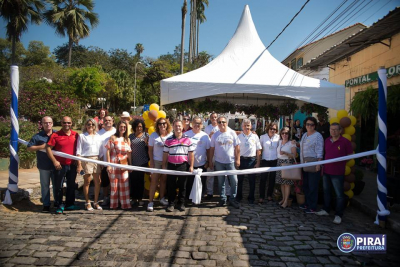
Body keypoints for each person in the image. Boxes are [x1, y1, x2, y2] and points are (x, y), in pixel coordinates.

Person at [316, 123, 352, 224]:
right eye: (332, 129)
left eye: (336, 130)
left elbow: (349, 156)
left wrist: (340, 163)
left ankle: (338, 215)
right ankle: (326, 210)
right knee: (326, 191)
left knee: (339, 194)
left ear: (340, 131)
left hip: (338, 172)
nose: (333, 131)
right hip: (327, 171)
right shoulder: (327, 140)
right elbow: (325, 154)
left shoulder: (345, 142)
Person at [46, 116, 79, 214]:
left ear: (71, 123)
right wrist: (54, 161)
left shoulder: (76, 135)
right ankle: (59, 204)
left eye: (68, 123)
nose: (66, 125)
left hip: (72, 165)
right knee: (58, 186)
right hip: (60, 165)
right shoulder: (56, 135)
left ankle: (69, 204)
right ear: (61, 123)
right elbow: (48, 149)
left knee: (71, 185)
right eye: (64, 123)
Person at [209, 116, 240, 208]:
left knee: (234, 181)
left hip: (231, 161)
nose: (221, 124)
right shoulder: (215, 135)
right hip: (219, 162)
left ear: (226, 123)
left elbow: (237, 147)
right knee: (220, 182)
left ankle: (232, 199)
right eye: (219, 122)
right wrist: (210, 161)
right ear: (217, 124)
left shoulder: (232, 133)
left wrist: (238, 159)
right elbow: (211, 149)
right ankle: (222, 199)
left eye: (223, 122)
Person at [163, 119, 194, 212]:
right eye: (176, 126)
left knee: (182, 186)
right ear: (173, 127)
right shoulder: (168, 140)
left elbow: (191, 154)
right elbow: (165, 154)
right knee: (171, 186)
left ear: (182, 127)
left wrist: (191, 166)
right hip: (171, 165)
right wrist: (164, 166)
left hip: (183, 165)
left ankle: (181, 203)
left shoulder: (188, 139)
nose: (178, 128)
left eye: (179, 126)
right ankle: (171, 204)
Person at [27, 116, 55, 212]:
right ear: (42, 124)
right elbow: (29, 148)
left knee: (57, 186)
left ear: (52, 123)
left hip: (57, 165)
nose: (48, 124)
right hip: (44, 165)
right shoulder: (37, 136)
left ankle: (57, 203)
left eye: (49, 122)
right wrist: (41, 146)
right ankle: (46, 204)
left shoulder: (57, 134)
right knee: (45, 186)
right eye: (45, 123)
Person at [76, 118, 103, 211]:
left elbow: (101, 149)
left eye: (92, 124)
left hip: (96, 159)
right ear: (85, 126)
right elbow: (78, 150)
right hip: (86, 159)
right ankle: (87, 202)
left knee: (97, 181)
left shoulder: (98, 136)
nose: (90, 126)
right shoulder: (82, 136)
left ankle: (95, 201)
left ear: (95, 126)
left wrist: (102, 160)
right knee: (87, 181)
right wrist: (79, 164)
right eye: (88, 124)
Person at [105, 121, 132, 210]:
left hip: (124, 164)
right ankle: (114, 204)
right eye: (121, 126)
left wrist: (130, 165)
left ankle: (125, 204)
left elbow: (129, 154)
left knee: (124, 184)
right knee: (114, 185)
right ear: (118, 127)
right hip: (114, 163)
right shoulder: (113, 138)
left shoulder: (127, 139)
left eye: (124, 127)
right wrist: (108, 165)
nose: (123, 128)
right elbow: (108, 151)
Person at [300, 116, 324, 213]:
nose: (309, 126)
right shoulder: (305, 135)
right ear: (305, 125)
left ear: (315, 126)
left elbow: (320, 150)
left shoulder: (318, 136)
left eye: (312, 124)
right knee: (306, 185)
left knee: (313, 186)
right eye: (308, 124)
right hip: (304, 163)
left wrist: (319, 163)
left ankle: (313, 206)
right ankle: (307, 203)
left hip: (313, 163)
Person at [147, 118, 173, 211]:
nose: (162, 125)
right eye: (160, 124)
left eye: (164, 123)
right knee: (154, 181)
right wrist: (152, 162)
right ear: (157, 125)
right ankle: (150, 201)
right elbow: (150, 149)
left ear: (167, 124)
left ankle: (162, 198)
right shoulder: (153, 135)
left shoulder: (171, 135)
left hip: (167, 161)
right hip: (156, 161)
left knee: (163, 181)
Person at [185, 117, 211, 204]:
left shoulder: (205, 136)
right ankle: (188, 198)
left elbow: (208, 150)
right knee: (189, 183)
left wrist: (208, 161)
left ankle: (199, 198)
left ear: (202, 125)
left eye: (199, 123)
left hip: (202, 164)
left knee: (201, 183)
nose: (197, 125)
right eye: (195, 123)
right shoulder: (186, 134)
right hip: (188, 164)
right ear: (192, 124)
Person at [236, 119, 261, 205]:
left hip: (252, 160)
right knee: (239, 180)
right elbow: (236, 150)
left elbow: (258, 150)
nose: (246, 127)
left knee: (252, 181)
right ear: (242, 126)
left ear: (251, 126)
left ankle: (251, 198)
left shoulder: (255, 136)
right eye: (245, 125)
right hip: (242, 160)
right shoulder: (238, 137)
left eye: (248, 125)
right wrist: (237, 160)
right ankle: (238, 197)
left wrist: (258, 162)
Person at [129, 119, 149, 207]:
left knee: (141, 181)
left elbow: (150, 147)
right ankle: (133, 198)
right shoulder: (131, 136)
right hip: (133, 162)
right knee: (133, 181)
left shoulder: (146, 135)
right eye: (137, 126)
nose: (139, 128)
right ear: (134, 127)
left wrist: (147, 142)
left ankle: (140, 198)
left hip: (143, 162)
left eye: (140, 126)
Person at [275, 127, 297, 208]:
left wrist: (285, 153)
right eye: (283, 133)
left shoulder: (292, 143)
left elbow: (294, 155)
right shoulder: (279, 142)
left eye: (286, 133)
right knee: (282, 183)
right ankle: (283, 199)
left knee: (287, 184)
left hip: (287, 163)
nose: (284, 135)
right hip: (279, 163)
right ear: (280, 134)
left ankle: (286, 201)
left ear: (289, 134)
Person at [259, 122, 280, 204]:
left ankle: (269, 195)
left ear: (276, 130)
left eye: (274, 129)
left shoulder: (278, 137)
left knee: (272, 179)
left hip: (274, 160)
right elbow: (259, 149)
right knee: (263, 179)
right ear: (268, 129)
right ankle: (261, 196)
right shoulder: (262, 137)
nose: (272, 130)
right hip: (265, 160)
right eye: (271, 128)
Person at [98, 116, 116, 207]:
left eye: (109, 120)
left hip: (116, 161)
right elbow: (99, 148)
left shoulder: (116, 131)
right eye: (106, 120)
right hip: (104, 160)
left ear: (113, 121)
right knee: (105, 181)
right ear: (103, 122)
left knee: (115, 181)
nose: (108, 122)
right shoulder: (99, 133)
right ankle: (105, 197)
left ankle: (114, 197)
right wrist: (101, 161)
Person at [204, 112, 219, 198]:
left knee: (222, 174)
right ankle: (210, 192)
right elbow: (206, 140)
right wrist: (210, 136)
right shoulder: (207, 128)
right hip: (211, 153)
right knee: (210, 174)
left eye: (215, 117)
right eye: (212, 117)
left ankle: (225, 192)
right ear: (210, 119)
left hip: (219, 152)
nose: (214, 119)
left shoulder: (220, 126)